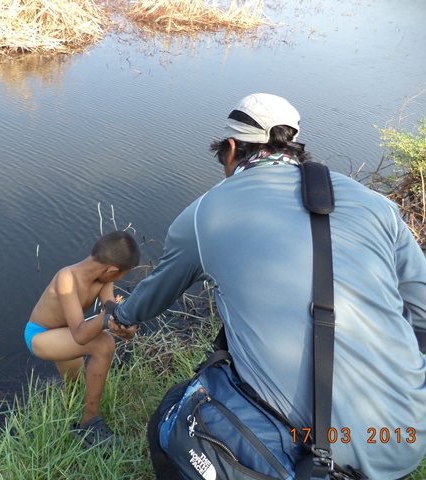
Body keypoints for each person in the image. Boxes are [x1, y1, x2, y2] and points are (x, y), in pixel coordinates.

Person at [111, 93, 426, 479]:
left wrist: (122, 316)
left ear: (230, 149)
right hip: (406, 435)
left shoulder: (206, 212)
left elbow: (154, 295)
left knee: (173, 415)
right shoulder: (377, 204)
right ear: (293, 143)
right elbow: (422, 315)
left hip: (318, 449)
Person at [25, 230, 140, 447]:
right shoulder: (66, 278)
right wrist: (109, 316)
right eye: (122, 275)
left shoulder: (103, 279)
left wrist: (126, 330)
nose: (118, 280)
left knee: (75, 389)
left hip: (65, 332)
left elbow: (109, 311)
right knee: (103, 344)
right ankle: (89, 425)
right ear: (113, 269)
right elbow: (80, 334)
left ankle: (68, 423)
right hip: (40, 335)